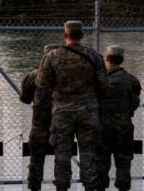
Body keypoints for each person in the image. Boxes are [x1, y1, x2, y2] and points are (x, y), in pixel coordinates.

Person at [35, 20, 109, 191]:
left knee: (62, 154)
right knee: (88, 153)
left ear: (65, 35)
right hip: (88, 112)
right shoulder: (94, 56)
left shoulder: (52, 56)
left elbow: (41, 84)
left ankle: (62, 187)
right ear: (82, 35)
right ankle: (90, 186)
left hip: (62, 112)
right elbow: (104, 85)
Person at [97, 45, 142, 191]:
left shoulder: (99, 80)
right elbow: (135, 101)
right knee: (123, 163)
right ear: (122, 59)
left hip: (103, 127)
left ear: (107, 58)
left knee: (101, 162)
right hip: (124, 127)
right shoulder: (131, 80)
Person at [20, 44, 57, 191]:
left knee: (36, 160)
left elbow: (24, 99)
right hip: (60, 122)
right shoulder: (66, 75)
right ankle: (62, 186)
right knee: (62, 158)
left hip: (40, 122)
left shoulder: (33, 75)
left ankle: (34, 187)